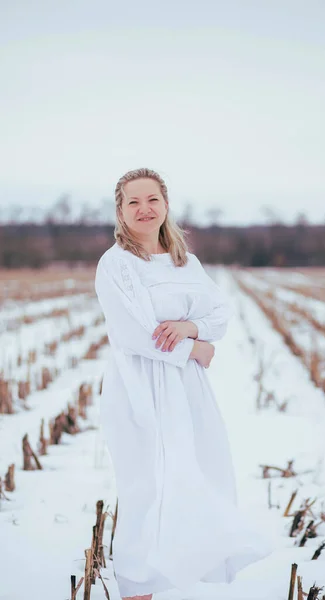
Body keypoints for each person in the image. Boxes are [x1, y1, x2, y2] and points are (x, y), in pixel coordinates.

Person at [95, 168, 273, 600]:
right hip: (139, 387)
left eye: (152, 199)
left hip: (188, 391)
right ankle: (137, 588)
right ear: (120, 210)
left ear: (166, 205)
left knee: (196, 475)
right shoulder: (116, 263)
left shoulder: (185, 263)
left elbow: (218, 316)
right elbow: (133, 333)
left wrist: (192, 326)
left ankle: (178, 567)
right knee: (145, 486)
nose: (144, 209)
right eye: (133, 202)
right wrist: (194, 348)